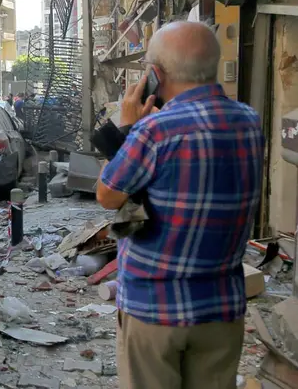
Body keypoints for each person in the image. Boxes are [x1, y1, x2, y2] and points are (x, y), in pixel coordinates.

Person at [96, 21, 264, 389]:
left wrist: (126, 127)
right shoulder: (250, 122)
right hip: (221, 308)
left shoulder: (155, 132)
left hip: (154, 309)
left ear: (155, 75)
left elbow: (108, 195)